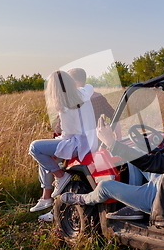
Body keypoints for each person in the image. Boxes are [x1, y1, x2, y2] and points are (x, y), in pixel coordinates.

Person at [60, 102, 164, 227]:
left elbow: (150, 162)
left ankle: (83, 199)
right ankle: (133, 206)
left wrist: (111, 143)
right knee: (135, 151)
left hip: (163, 198)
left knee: (105, 186)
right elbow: (162, 162)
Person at [38, 67, 119, 222]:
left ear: (72, 81)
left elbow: (61, 129)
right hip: (95, 143)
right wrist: (114, 141)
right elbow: (114, 116)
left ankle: (54, 206)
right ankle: (53, 201)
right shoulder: (95, 95)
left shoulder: (69, 100)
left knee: (50, 163)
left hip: (77, 144)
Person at [28, 71, 97, 218]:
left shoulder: (65, 106)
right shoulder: (84, 92)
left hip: (78, 144)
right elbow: (89, 86)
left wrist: (58, 134)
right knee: (46, 159)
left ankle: (60, 176)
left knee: (35, 147)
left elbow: (68, 135)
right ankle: (46, 198)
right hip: (91, 140)